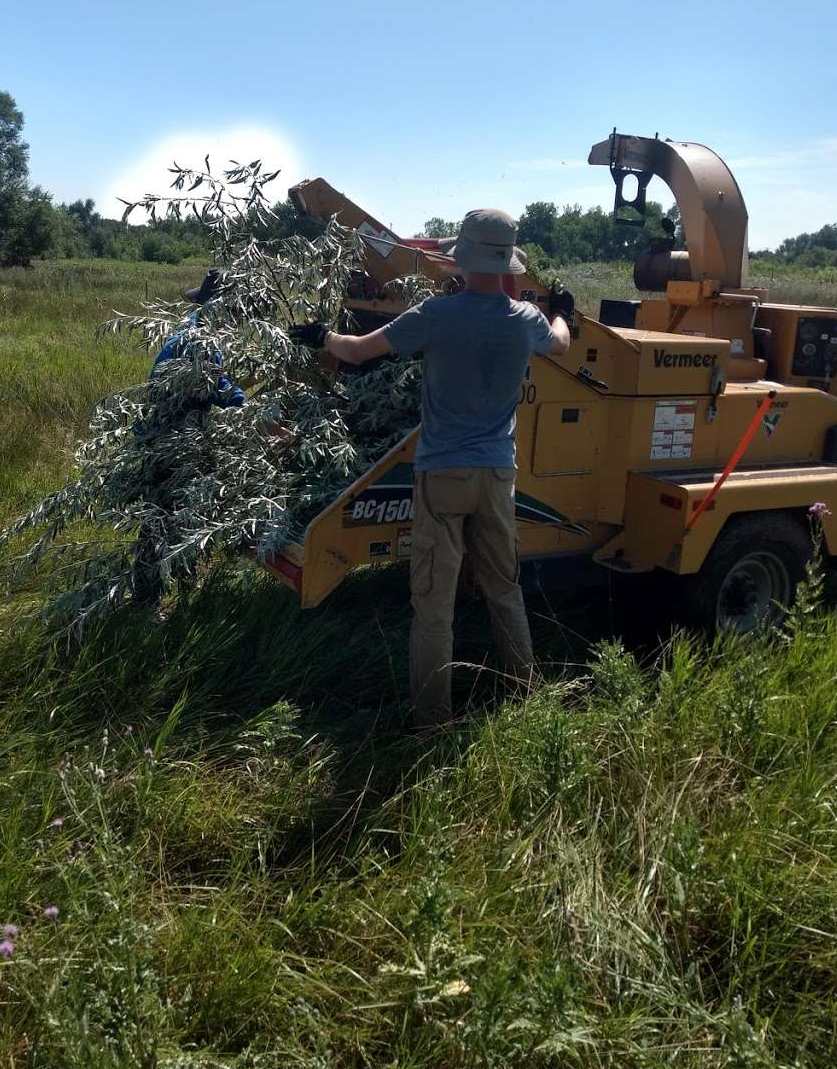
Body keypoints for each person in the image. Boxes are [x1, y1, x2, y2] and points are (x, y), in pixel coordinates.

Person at [289, 209, 572, 729]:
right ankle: (525, 694)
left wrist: (322, 336)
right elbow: (562, 342)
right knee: (504, 589)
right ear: (508, 263)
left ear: (462, 261)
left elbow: (356, 353)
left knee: (434, 603)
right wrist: (563, 314)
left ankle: (433, 719)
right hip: (497, 477)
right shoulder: (526, 321)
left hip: (442, 475)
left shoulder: (436, 316)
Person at [133, 268, 244, 603]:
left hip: (164, 433)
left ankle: (173, 588)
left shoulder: (192, 330)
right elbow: (218, 389)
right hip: (169, 440)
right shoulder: (198, 342)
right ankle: (149, 599)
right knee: (164, 516)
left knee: (171, 514)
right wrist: (246, 405)